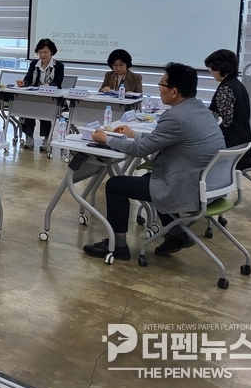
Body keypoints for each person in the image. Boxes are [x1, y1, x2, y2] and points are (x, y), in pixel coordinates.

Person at [83, 62, 225, 261]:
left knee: (115, 185)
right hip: (210, 185)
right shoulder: (199, 109)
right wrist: (134, 134)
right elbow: (162, 140)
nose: (159, 89)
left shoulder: (175, 117)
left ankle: (117, 246)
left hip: (188, 188)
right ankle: (176, 234)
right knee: (151, 177)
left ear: (174, 92)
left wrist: (106, 139)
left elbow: (140, 150)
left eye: (161, 84)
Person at [205, 49, 251, 170]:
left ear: (221, 67)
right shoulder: (237, 84)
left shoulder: (226, 89)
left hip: (231, 147)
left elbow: (224, 121)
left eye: (212, 69)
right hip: (242, 142)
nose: (211, 73)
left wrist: (205, 113)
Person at [16, 38, 64, 151]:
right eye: (40, 52)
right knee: (28, 108)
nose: (42, 55)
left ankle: (47, 138)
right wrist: (24, 83)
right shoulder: (34, 64)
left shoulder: (58, 66)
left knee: (45, 110)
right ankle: (29, 137)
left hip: (50, 99)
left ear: (52, 52)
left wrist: (49, 85)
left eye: (45, 52)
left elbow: (58, 82)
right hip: (34, 97)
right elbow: (28, 79)